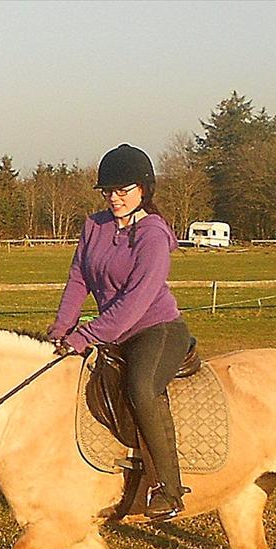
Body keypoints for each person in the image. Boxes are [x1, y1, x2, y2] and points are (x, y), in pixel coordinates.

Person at [48, 144, 192, 520]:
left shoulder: (154, 235)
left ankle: (169, 488)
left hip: (155, 329)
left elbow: (134, 302)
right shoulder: (93, 226)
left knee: (141, 388)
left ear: (143, 189)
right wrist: (60, 332)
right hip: (113, 331)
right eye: (108, 191)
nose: (114, 198)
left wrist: (85, 336)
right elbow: (78, 280)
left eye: (122, 190)